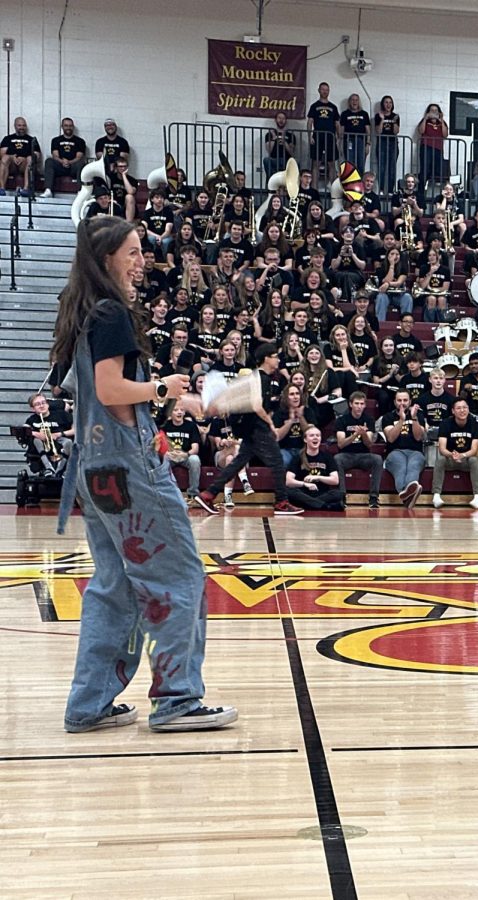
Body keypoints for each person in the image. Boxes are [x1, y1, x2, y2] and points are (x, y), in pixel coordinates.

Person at [51, 214, 236, 732]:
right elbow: (113, 391)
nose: (141, 261)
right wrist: (162, 388)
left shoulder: (83, 312)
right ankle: (177, 700)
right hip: (130, 473)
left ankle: (87, 704)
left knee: (114, 586)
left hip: (95, 469)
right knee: (178, 577)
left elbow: (96, 397)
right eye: (131, 252)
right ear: (107, 257)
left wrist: (169, 403)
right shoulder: (110, 312)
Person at [195, 343, 302, 515]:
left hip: (250, 429)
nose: (278, 359)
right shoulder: (261, 378)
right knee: (277, 463)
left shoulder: (258, 377)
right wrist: (271, 425)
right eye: (275, 356)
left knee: (238, 462)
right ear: (266, 358)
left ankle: (209, 493)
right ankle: (282, 502)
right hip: (258, 429)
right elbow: (256, 406)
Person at [432, 397, 478, 510]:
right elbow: (442, 448)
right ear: (453, 411)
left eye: (465, 407)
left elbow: (474, 449)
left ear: (468, 409)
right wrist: (452, 455)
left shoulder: (475, 425)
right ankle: (436, 496)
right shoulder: (445, 424)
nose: (462, 410)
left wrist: (463, 455)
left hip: (466, 458)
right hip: (450, 458)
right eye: (459, 408)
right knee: (440, 459)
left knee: (474, 460)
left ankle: (477, 496)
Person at [335, 391, 384, 509]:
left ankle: (373, 498)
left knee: (377, 459)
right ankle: (341, 496)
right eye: (356, 403)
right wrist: (354, 435)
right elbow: (341, 444)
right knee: (337, 459)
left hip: (363, 455)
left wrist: (363, 435)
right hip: (347, 455)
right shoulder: (342, 420)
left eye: (362, 404)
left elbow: (369, 444)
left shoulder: (369, 419)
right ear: (350, 404)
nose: (359, 406)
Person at [379, 389, 426, 508]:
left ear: (410, 401)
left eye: (405, 400)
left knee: (413, 466)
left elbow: (418, 437)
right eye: (399, 400)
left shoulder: (419, 415)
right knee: (401, 466)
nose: (402, 403)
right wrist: (401, 420)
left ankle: (405, 495)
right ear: (394, 402)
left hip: (416, 452)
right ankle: (408, 492)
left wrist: (414, 418)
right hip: (395, 452)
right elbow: (390, 438)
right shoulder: (388, 417)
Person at [285, 425, 346, 511]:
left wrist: (317, 477)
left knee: (338, 493)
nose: (315, 438)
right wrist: (305, 484)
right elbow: (288, 481)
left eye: (318, 435)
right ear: (305, 439)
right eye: (312, 435)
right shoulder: (298, 457)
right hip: (303, 493)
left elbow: (335, 480)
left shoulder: (327, 457)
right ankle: (325, 506)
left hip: (321, 493)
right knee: (289, 492)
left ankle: (308, 505)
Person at [42, 117, 88, 197]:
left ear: (73, 127)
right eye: (66, 125)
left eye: (70, 126)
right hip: (60, 166)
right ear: (62, 127)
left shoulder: (80, 141)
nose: (68, 127)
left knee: (81, 163)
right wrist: (62, 161)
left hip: (73, 167)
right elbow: (55, 155)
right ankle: (48, 190)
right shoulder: (56, 140)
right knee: (49, 161)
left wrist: (69, 162)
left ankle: (80, 192)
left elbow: (79, 157)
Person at [0, 117, 42, 195]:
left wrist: (25, 158)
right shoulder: (7, 138)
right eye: (19, 125)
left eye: (23, 125)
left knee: (30, 159)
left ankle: (26, 189)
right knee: (5, 158)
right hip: (11, 165)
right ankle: (1, 188)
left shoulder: (32, 139)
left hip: (25, 165)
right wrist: (12, 157)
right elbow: (2, 154)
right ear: (15, 126)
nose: (22, 127)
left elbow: (37, 155)